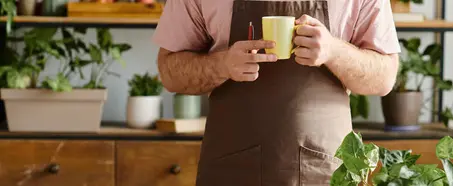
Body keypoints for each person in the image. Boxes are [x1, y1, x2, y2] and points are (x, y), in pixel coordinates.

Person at [152, 0, 400, 185]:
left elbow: (384, 78)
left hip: (326, 173)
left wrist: (334, 51)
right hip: (230, 171)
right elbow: (170, 73)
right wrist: (222, 64)